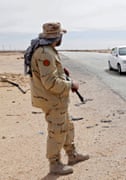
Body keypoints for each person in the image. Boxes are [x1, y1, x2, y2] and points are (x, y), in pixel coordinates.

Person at [29, 22, 89, 175]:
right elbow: (50, 83)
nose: (62, 37)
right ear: (56, 36)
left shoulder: (48, 50)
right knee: (57, 131)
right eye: (61, 35)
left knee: (67, 126)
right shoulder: (44, 53)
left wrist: (62, 72)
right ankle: (54, 163)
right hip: (52, 100)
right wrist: (70, 84)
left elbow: (52, 75)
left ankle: (72, 155)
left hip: (57, 100)